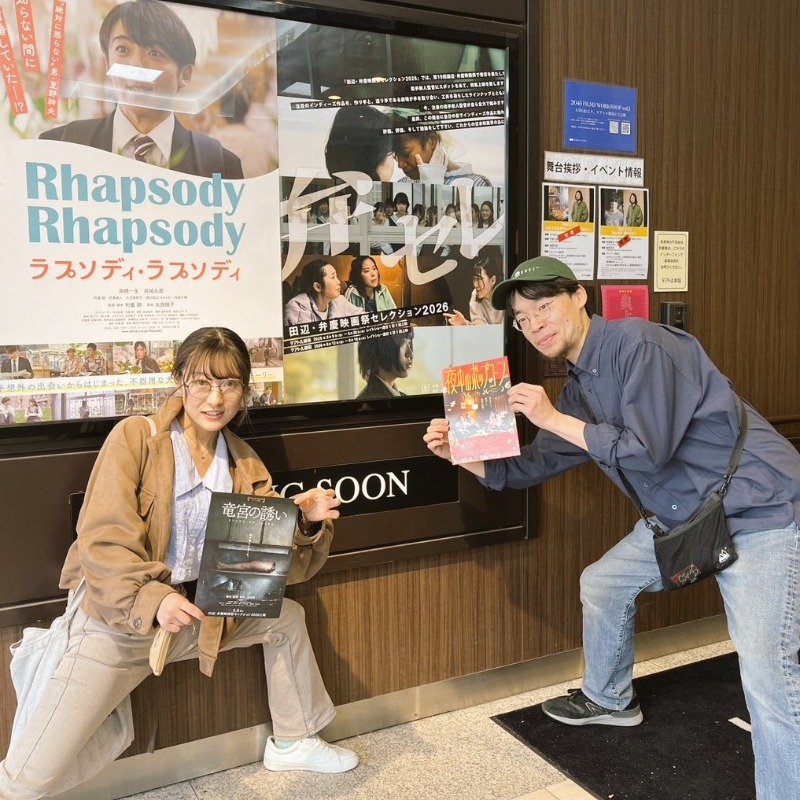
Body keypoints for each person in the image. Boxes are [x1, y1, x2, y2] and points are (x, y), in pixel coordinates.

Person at [423, 255, 800, 800]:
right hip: (685, 516)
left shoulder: (641, 345)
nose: (534, 325)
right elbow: (528, 466)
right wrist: (463, 454)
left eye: (543, 307)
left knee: (767, 674)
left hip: (757, 508)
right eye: (523, 320)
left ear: (580, 296)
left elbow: (647, 451)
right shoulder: (578, 389)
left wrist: (552, 419)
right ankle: (608, 698)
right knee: (603, 582)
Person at [0, 327, 359, 797]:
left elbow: (264, 572)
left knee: (286, 619)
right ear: (179, 381)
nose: (215, 398)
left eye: (229, 384)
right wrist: (154, 599)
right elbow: (102, 541)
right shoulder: (137, 438)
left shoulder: (245, 464)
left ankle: (294, 740)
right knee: (28, 776)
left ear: (244, 389)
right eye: (202, 382)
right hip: (116, 623)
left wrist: (301, 523)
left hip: (195, 616)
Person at [39, 0, 243, 180]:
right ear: (108, 63)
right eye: (122, 49)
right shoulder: (60, 145)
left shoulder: (220, 165)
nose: (136, 66)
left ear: (185, 74)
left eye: (155, 52)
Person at [392, 124, 491, 186]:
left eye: (405, 153)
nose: (400, 164)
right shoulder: (402, 184)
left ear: (432, 141)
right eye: (395, 157)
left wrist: (434, 187)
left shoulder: (475, 183)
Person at [283, 260, 362, 326]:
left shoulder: (339, 300)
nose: (338, 282)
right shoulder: (297, 306)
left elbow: (362, 316)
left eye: (336, 276)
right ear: (318, 287)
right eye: (333, 277)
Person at [442, 254, 504, 326]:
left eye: (479, 279)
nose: (475, 284)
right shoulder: (475, 294)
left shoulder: (505, 296)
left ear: (493, 280)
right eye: (474, 279)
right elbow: (480, 329)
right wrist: (464, 323)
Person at [356, 330, 414, 399]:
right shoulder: (371, 400)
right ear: (379, 349)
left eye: (409, 343)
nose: (410, 353)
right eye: (402, 342)